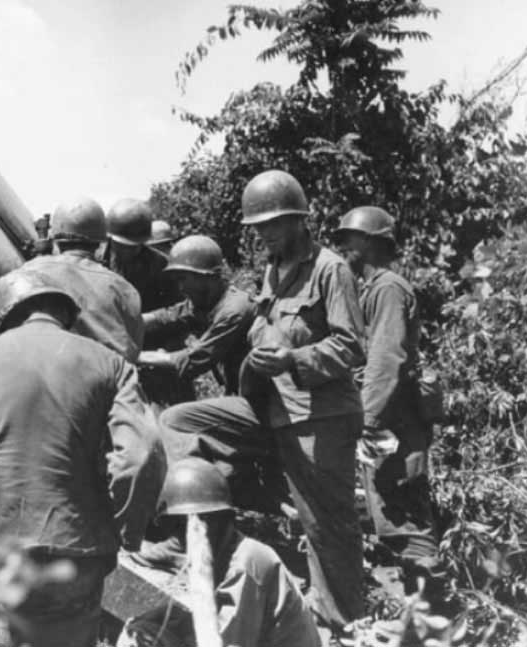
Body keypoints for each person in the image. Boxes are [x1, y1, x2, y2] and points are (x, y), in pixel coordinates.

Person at [158, 169, 366, 628]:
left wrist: (293, 358)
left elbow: (351, 346)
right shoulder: (272, 271)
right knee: (179, 421)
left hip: (320, 415)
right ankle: (193, 532)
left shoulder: (330, 269)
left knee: (326, 523)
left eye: (271, 225)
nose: (264, 236)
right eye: (258, 229)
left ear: (298, 221)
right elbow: (263, 326)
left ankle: (342, 619)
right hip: (268, 407)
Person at [0, 268, 167, 647]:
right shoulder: (110, 363)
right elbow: (141, 456)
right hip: (74, 547)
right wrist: (124, 533)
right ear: (65, 314)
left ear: (5, 316)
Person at [334, 206, 440, 572]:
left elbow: (386, 359)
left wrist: (367, 420)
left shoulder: (389, 289)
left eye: (348, 239)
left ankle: (433, 619)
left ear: (368, 242)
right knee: (391, 516)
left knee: (407, 521)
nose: (343, 247)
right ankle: (419, 613)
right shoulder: (373, 290)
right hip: (387, 421)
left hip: (395, 421)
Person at [118, 458, 320, 647]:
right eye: (182, 525)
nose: (196, 531)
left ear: (224, 519)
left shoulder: (248, 561)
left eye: (203, 521)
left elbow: (228, 640)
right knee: (140, 630)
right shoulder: (219, 548)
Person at [23, 196, 144, 361]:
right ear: (100, 242)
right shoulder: (124, 288)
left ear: (55, 238)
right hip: (107, 379)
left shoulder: (26, 274)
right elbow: (134, 348)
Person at [138, 235, 255, 403]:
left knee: (173, 420)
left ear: (205, 277)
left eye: (183, 279)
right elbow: (168, 316)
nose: (180, 287)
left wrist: (138, 356)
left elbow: (194, 360)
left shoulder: (234, 311)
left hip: (259, 402)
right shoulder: (208, 301)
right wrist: (125, 322)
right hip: (238, 392)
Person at [104, 198, 183, 313]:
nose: (128, 251)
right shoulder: (93, 260)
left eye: (135, 246)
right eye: (122, 245)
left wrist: (148, 321)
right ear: (110, 238)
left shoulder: (159, 264)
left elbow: (175, 306)